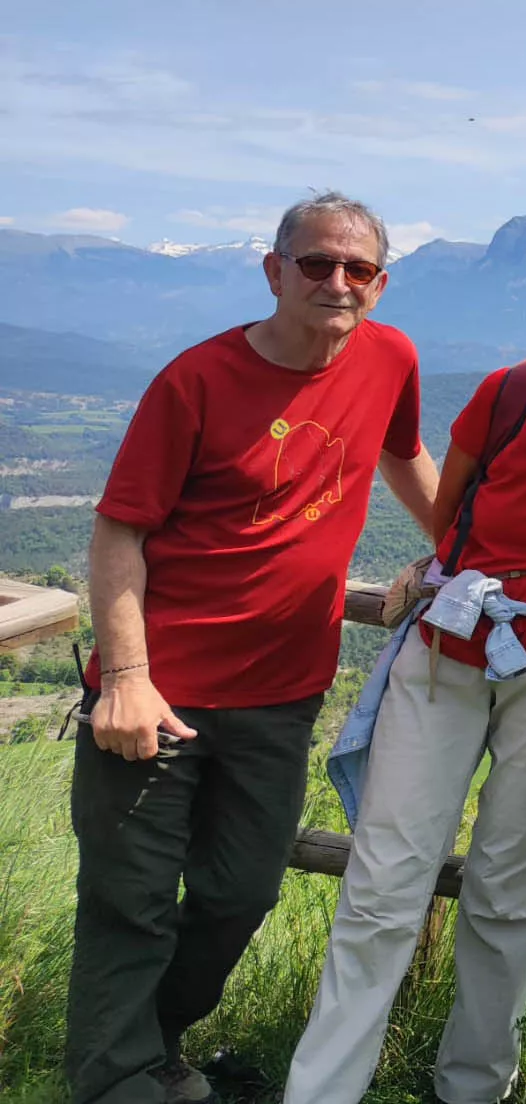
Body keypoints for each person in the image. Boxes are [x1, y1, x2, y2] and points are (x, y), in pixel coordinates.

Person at [283, 246, 526, 1104]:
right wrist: (434, 571)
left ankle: (474, 1087)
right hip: (449, 647)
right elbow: (451, 511)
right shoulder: (506, 395)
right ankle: (322, 1092)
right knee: (385, 877)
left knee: (510, 890)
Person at [68, 192, 438, 1104]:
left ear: (381, 285)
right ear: (274, 271)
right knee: (133, 904)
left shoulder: (391, 357)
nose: (337, 282)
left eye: (356, 269)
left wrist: (471, 553)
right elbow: (119, 533)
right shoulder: (195, 380)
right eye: (316, 263)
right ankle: (118, 1081)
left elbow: (405, 455)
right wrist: (125, 678)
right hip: (158, 696)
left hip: (281, 694)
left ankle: (150, 1045)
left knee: (242, 892)